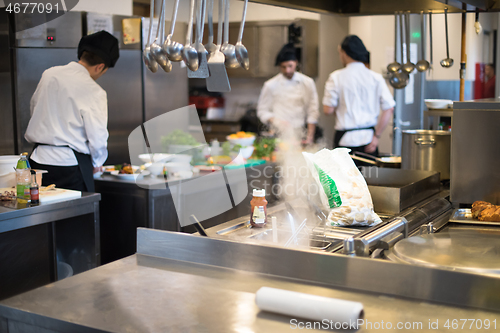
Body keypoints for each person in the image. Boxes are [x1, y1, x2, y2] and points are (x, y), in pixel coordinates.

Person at [25, 31, 119, 192]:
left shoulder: (49, 74)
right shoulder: (94, 90)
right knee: (74, 215)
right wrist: (97, 163)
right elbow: (98, 135)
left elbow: (35, 107)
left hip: (37, 162)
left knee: (41, 214)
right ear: (100, 67)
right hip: (70, 166)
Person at [323, 35, 395, 156]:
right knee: (371, 174)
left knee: (344, 175)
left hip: (344, 140)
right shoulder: (375, 77)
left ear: (344, 53)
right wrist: (377, 136)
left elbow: (327, 110)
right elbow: (389, 108)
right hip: (369, 139)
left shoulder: (336, 77)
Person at [257, 43, 320, 144]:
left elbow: (313, 111)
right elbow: (262, 111)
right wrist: (277, 121)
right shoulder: (270, 85)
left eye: (290, 66)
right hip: (278, 134)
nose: (287, 70)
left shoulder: (307, 83)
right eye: (283, 67)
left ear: (296, 62)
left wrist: (310, 137)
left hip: (300, 132)